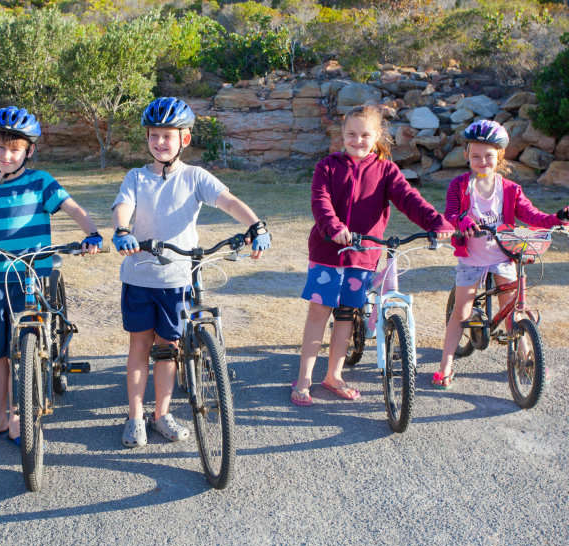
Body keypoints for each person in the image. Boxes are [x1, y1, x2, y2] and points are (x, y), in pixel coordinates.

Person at [112, 97, 271, 448]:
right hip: (139, 277)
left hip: (177, 281)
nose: (160, 142)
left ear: (184, 139)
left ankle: (162, 414)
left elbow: (226, 200)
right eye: (154, 135)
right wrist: (123, 230)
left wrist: (255, 224)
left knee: (168, 349)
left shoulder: (195, 176)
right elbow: (123, 207)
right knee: (139, 346)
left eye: (168, 136)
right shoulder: (136, 177)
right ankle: (135, 417)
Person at [0, 106, 103, 447]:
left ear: (29, 151)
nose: (7, 155)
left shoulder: (41, 182)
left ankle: (21, 417)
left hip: (34, 278)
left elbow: (73, 208)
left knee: (30, 347)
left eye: (16, 148)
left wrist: (92, 233)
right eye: (1, 147)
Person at [291, 104, 453, 406]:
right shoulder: (327, 166)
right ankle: (304, 378)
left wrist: (435, 221)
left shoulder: (386, 170)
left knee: (346, 315)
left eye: (365, 134)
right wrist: (333, 226)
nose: (358, 140)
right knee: (319, 312)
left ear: (377, 135)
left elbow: (409, 199)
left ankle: (334, 375)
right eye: (351, 133)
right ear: (342, 133)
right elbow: (320, 201)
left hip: (364, 254)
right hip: (328, 251)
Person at [433, 120, 569, 389]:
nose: (482, 161)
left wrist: (556, 218)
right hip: (472, 258)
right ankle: (445, 364)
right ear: (466, 156)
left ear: (499, 156)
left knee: (514, 312)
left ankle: (524, 358)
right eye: (475, 156)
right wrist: (462, 221)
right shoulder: (459, 185)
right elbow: (450, 214)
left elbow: (531, 215)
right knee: (461, 312)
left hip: (503, 255)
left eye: (488, 156)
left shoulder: (509, 189)